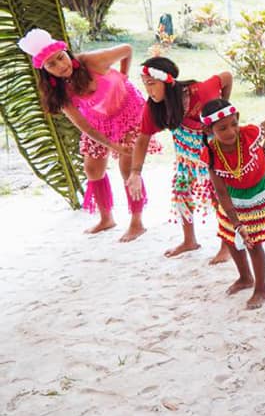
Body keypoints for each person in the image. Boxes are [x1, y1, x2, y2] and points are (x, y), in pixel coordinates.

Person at [16, 28, 160, 239]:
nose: (60, 66)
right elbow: (86, 127)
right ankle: (106, 219)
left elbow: (127, 49)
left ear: (67, 52)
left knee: (127, 168)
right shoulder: (57, 91)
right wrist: (112, 145)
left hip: (127, 110)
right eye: (51, 65)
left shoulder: (92, 61)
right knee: (92, 169)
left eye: (60, 58)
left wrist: (123, 75)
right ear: (45, 70)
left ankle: (137, 222)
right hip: (97, 122)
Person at [125, 58, 232, 261]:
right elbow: (143, 138)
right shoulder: (154, 107)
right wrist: (135, 172)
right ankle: (189, 241)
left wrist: (223, 109)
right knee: (181, 191)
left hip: (213, 154)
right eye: (145, 84)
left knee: (219, 195)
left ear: (167, 81)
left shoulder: (201, 92)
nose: (148, 90)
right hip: (186, 158)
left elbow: (226, 77)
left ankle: (227, 245)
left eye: (151, 83)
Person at [200, 99, 265, 310]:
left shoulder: (251, 134)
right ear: (209, 130)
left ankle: (261, 288)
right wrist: (236, 224)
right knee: (230, 237)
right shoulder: (210, 153)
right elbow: (221, 192)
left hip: (257, 190)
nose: (231, 131)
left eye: (234, 124)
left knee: (253, 241)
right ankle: (245, 277)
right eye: (222, 128)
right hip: (231, 195)